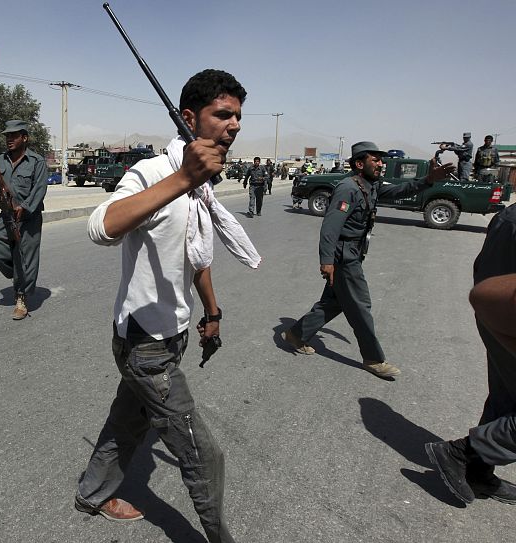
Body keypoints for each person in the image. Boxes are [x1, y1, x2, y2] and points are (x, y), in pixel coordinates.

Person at [75, 69, 260, 543]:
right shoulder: (157, 173)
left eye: (238, 115)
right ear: (188, 118)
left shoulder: (203, 182)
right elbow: (101, 226)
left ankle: (92, 493)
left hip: (172, 336)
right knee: (204, 453)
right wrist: (183, 178)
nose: (234, 124)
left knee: (126, 424)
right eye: (223, 114)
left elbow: (196, 256)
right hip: (144, 345)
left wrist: (212, 314)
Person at [282, 141, 453, 378]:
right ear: (360, 163)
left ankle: (296, 334)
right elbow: (330, 226)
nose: (381, 164)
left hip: (353, 252)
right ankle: (373, 359)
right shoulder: (347, 188)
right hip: (344, 256)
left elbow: (398, 191)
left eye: (381, 160)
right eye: (376, 160)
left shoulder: (369, 185)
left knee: (334, 301)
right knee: (361, 306)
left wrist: (428, 180)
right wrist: (327, 260)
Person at [425, 203, 516, 505]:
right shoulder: (513, 220)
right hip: (506, 324)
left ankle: (477, 469)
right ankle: (462, 453)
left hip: (504, 322)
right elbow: (488, 289)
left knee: (506, 399)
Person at [0, 120, 48, 320]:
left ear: (25, 138)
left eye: (13, 136)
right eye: (7, 136)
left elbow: (40, 189)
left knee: (26, 259)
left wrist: (26, 206)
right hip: (6, 216)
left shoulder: (37, 162)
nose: (9, 139)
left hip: (29, 218)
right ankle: (18, 276)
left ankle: (21, 298)